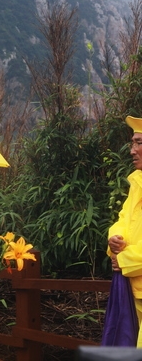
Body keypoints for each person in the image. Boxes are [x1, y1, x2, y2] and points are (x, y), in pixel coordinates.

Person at [108, 115, 142, 347]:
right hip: (134, 290)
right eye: (133, 143)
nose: (132, 150)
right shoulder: (137, 183)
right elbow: (123, 218)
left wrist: (125, 259)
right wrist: (114, 240)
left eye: (139, 143)